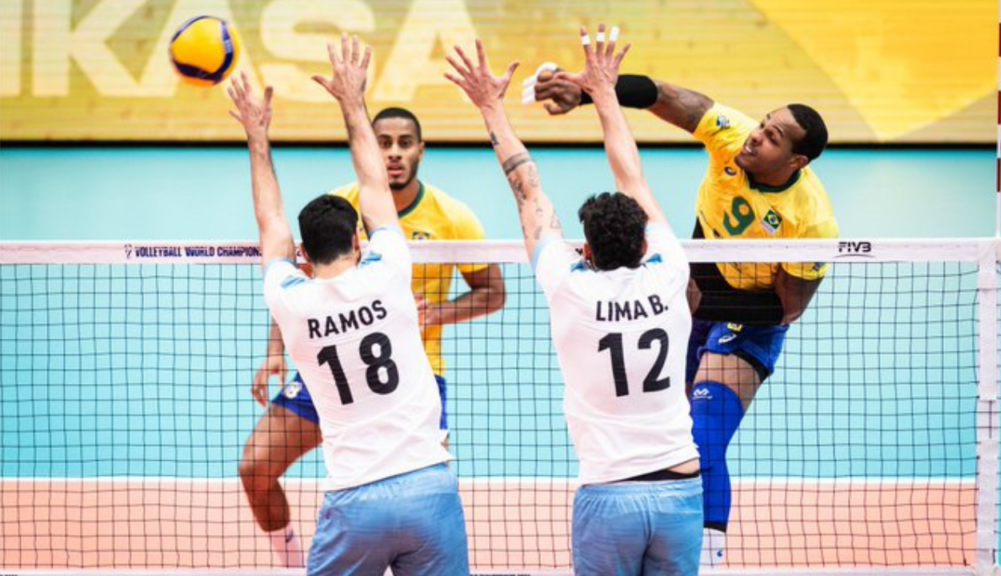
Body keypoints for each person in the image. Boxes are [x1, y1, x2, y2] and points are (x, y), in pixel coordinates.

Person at [531, 45, 839, 567]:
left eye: (773, 138)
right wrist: (587, 92)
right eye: (763, 124)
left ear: (796, 161)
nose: (757, 135)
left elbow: (788, 309)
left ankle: (710, 556)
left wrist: (700, 299)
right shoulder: (733, 136)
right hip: (694, 297)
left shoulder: (811, 221)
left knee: (700, 437)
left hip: (750, 318)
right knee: (664, 430)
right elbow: (664, 96)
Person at [446, 26, 703, 575]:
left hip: (609, 495)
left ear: (584, 249)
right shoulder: (669, 268)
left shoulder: (569, 284)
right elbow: (629, 170)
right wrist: (604, 91)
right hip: (681, 491)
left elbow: (528, 190)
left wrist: (491, 106)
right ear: (643, 241)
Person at [229, 34, 470, 576]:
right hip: (425, 485)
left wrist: (256, 136)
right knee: (255, 465)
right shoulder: (390, 269)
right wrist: (352, 102)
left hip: (354, 496)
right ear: (359, 240)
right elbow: (373, 184)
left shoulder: (291, 297)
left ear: (302, 257)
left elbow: (270, 223)